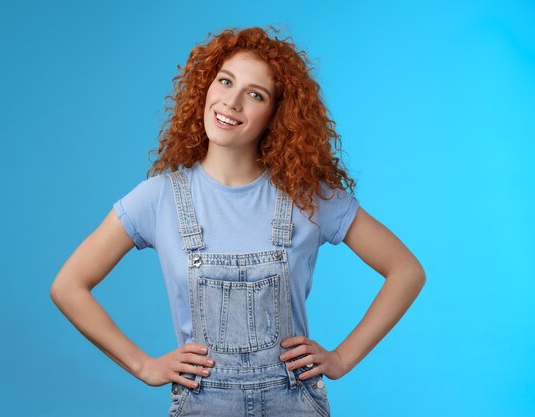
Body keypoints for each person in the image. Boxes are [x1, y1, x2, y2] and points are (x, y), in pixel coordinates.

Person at [50, 26, 426, 417]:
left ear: (276, 115)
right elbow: (68, 286)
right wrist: (144, 365)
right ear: (205, 87)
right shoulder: (159, 198)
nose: (231, 102)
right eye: (225, 81)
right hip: (202, 404)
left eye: (255, 94)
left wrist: (342, 359)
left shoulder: (306, 196)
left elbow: (406, 271)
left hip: (294, 403)